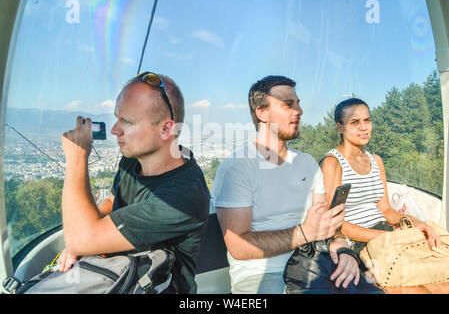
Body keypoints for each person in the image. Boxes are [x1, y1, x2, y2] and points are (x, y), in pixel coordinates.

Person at [211, 75, 381, 294]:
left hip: (318, 263)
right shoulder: (237, 167)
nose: (299, 111)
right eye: (288, 105)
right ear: (262, 113)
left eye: (298, 104)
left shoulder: (307, 163)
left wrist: (341, 245)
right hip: (263, 273)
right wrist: (303, 233)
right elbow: (239, 247)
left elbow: (325, 225)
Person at [58, 72, 210, 294]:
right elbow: (113, 200)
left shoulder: (183, 197)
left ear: (166, 129)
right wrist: (82, 236)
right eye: (117, 118)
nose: (114, 130)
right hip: (123, 279)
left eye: (127, 121)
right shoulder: (132, 160)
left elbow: (81, 238)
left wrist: (76, 158)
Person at [320, 97, 449, 294]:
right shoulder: (333, 163)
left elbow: (386, 210)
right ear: (340, 127)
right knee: (411, 286)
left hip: (386, 233)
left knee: (440, 274)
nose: (364, 128)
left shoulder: (376, 161)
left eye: (367, 120)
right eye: (355, 122)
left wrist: (416, 222)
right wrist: (382, 236)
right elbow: (336, 223)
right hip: (359, 242)